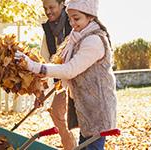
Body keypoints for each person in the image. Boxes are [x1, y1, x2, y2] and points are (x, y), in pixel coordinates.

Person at [16, 0, 117, 149]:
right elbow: (57, 64)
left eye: (76, 18)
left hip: (97, 109)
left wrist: (34, 66)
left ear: (91, 17)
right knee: (84, 145)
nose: (72, 23)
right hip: (84, 107)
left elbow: (69, 70)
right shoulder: (76, 38)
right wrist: (40, 89)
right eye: (70, 18)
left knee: (92, 146)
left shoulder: (93, 41)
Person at [39, 0, 76, 149]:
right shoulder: (48, 29)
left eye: (52, 7)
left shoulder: (74, 20)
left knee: (80, 118)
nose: (48, 11)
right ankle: (70, 145)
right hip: (61, 80)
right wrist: (40, 91)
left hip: (78, 76)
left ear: (62, 4)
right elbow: (44, 61)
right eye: (45, 8)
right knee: (56, 112)